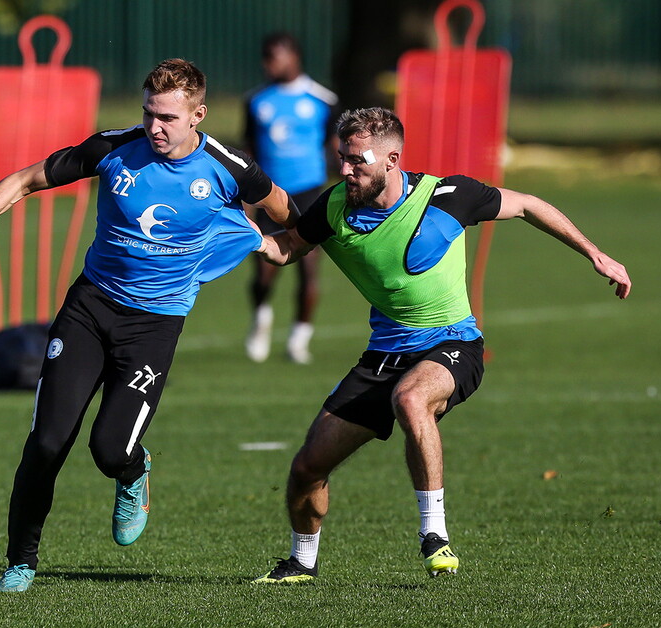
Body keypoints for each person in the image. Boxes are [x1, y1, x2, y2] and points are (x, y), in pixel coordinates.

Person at [0, 58, 297, 592]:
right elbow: (24, 180)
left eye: (167, 117)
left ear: (199, 115)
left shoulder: (230, 168)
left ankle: (133, 470)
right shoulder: (113, 148)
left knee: (109, 449)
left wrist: (274, 247)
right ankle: (20, 563)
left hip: (154, 328)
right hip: (88, 312)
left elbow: (289, 216)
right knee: (47, 442)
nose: (155, 128)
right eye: (148, 114)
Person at [252, 107, 631, 583]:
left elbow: (530, 204)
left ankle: (434, 534)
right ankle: (301, 562)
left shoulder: (449, 195)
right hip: (383, 355)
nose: (346, 170)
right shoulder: (334, 206)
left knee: (412, 399)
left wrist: (594, 253)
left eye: (356, 161)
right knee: (308, 467)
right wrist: (246, 237)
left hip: (454, 345)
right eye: (341, 159)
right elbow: (289, 247)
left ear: (392, 159)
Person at [242, 32, 339, 364]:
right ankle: (261, 317)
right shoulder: (256, 100)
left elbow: (334, 149)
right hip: (270, 195)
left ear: (294, 56)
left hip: (309, 192)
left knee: (309, 270)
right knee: (263, 270)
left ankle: (299, 338)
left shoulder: (323, 100)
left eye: (275, 55)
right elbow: (248, 153)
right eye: (265, 56)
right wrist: (247, 200)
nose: (269, 63)